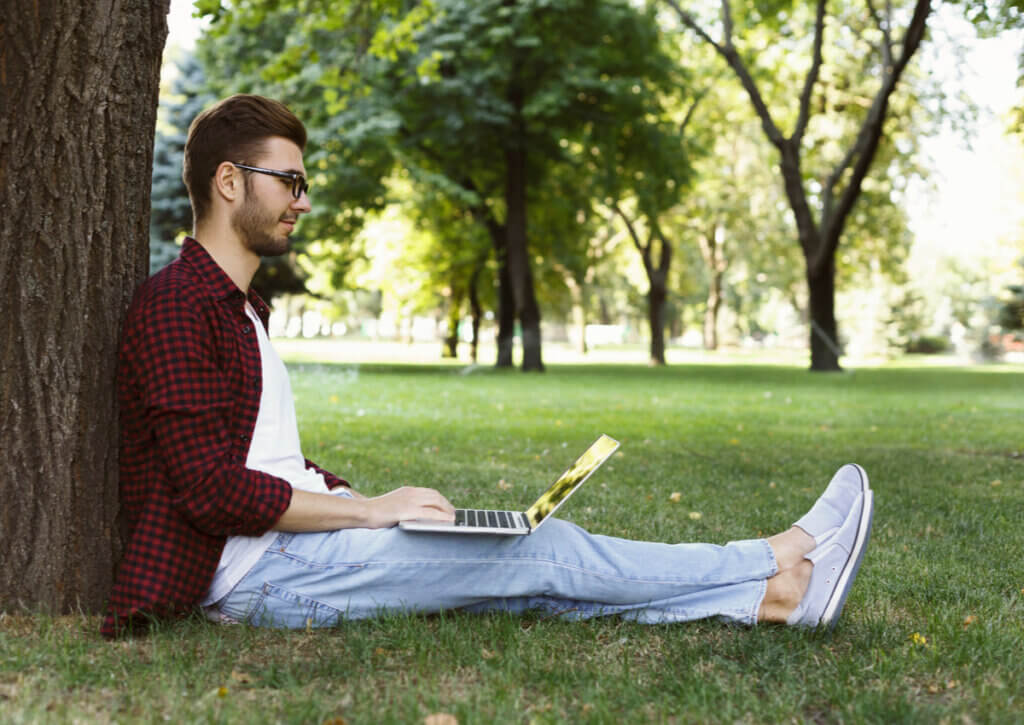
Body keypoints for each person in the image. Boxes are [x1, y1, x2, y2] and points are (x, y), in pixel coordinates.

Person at [101, 95, 874, 637]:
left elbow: (263, 460)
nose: (303, 199)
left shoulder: (239, 308)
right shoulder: (177, 305)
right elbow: (214, 491)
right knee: (541, 551)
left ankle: (772, 600)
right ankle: (776, 556)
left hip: (292, 553)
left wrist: (366, 498)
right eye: (290, 180)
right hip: (261, 577)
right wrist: (372, 511)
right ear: (230, 181)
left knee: (527, 577)